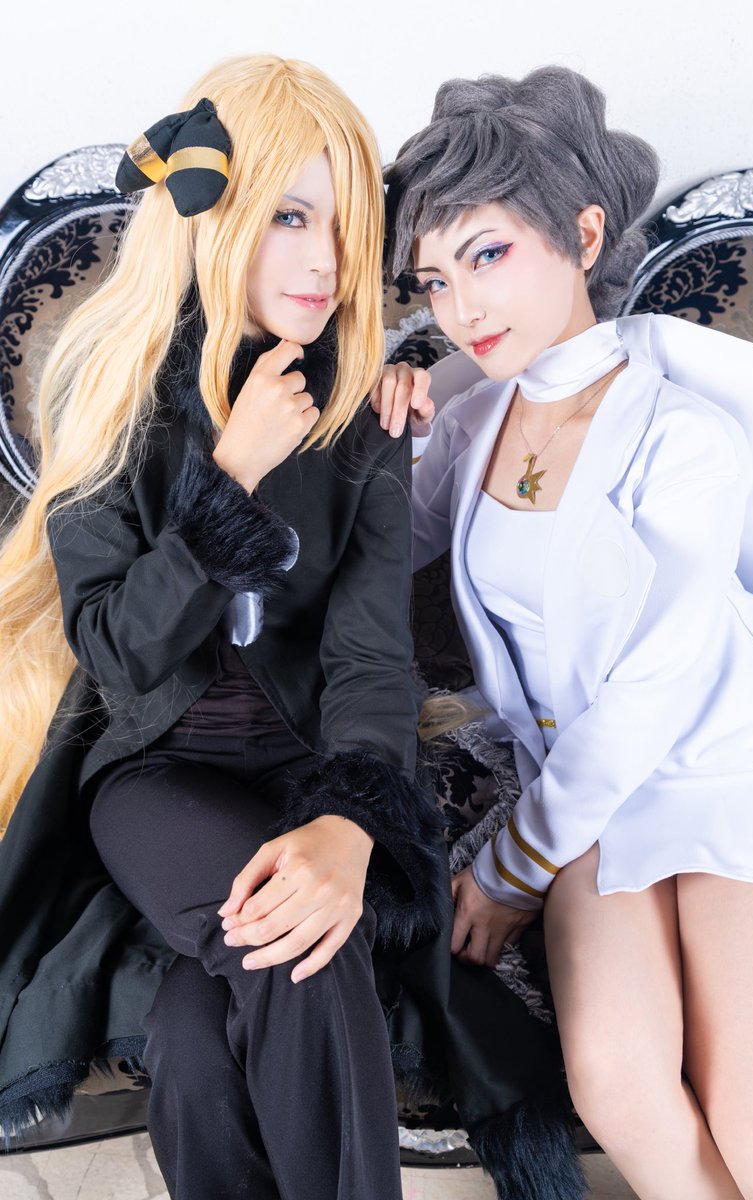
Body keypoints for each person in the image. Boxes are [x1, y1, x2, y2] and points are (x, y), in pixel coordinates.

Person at [0, 55, 453, 1200]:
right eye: (290, 216)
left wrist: (350, 821)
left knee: (198, 1043)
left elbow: (369, 659)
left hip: (307, 765)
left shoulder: (364, 410)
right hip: (155, 770)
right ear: (215, 214)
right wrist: (230, 481)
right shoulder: (112, 391)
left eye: (346, 225)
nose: (326, 260)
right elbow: (117, 651)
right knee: (295, 947)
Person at [380, 65, 753, 1200]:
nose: (461, 308)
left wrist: (513, 864)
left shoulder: (682, 433)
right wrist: (374, 439)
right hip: (583, 791)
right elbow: (356, 558)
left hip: (730, 763)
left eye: (487, 254)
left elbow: (657, 681)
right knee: (616, 1081)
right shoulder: (468, 423)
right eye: (435, 279)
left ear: (582, 231)